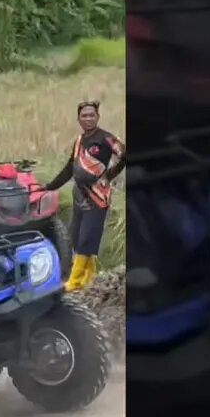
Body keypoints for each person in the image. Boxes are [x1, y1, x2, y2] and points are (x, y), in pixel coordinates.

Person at [44, 101, 126, 291]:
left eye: (91, 115)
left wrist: (109, 175)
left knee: (87, 238)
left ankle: (74, 280)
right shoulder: (80, 140)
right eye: (84, 116)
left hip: (97, 195)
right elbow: (69, 169)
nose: (88, 119)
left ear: (98, 117)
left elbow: (123, 154)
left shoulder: (106, 138)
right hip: (79, 194)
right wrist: (50, 187)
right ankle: (88, 276)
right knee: (76, 235)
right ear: (78, 118)